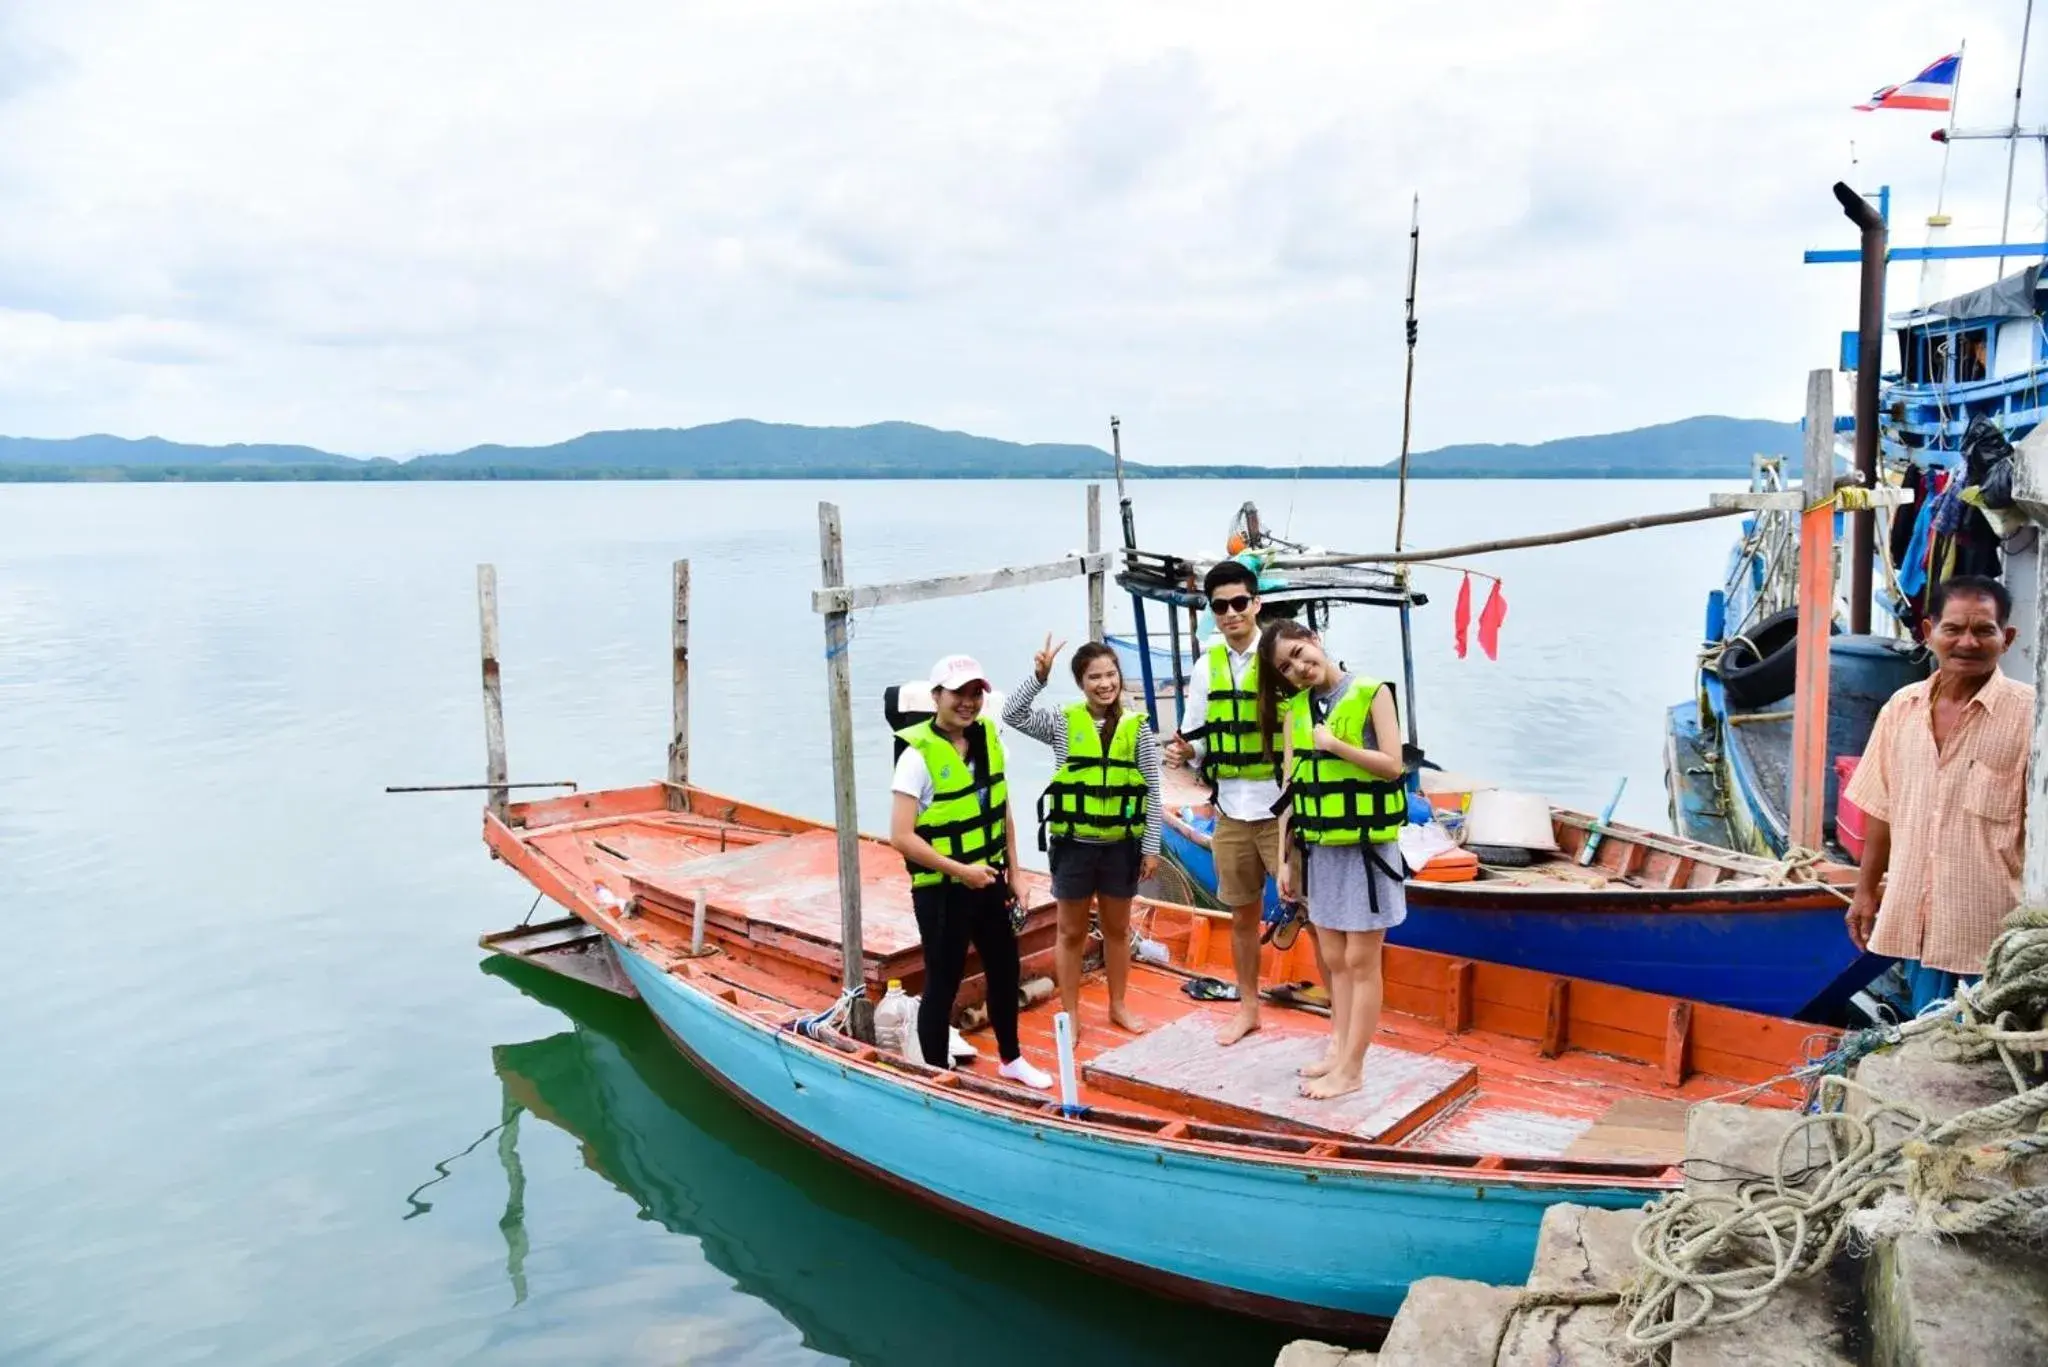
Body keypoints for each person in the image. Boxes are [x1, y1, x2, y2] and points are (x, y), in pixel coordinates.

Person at [1845, 575, 2032, 1014]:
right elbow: (1881, 807)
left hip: (1993, 933)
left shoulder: (2031, 716)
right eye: (1953, 629)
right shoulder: (1901, 709)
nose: (1967, 642)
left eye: (1983, 630)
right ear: (1929, 633)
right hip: (1918, 920)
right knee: (1929, 1040)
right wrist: (1866, 889)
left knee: (1991, 1053)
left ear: (2006, 639)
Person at [889, 654, 1055, 1089]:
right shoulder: (916, 757)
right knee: (942, 981)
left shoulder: (988, 740)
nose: (967, 702)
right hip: (943, 888)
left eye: (975, 693)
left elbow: (1001, 809)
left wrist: (1016, 874)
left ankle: (1011, 1058)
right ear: (936, 697)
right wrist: (959, 870)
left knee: (1005, 968)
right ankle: (934, 1074)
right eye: (957, 693)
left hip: (989, 879)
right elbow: (902, 836)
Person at [1260, 619, 1408, 1100]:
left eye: (1301, 652)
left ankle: (1353, 1068)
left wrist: (1338, 747)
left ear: (1316, 641)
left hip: (1367, 851)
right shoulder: (1295, 712)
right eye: (1287, 666)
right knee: (1333, 958)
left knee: (1362, 960)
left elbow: (1393, 765)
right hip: (1319, 848)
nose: (1299, 667)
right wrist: (1287, 859)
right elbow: (1289, 789)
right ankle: (1338, 1048)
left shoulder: (1371, 693)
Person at [1004, 634, 1163, 1040]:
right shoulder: (1062, 721)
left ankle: (1118, 1005)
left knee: (1117, 930)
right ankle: (1070, 1013)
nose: (1105, 684)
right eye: (1095, 677)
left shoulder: (1136, 728)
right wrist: (1038, 677)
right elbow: (1014, 714)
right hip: (1074, 846)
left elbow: (1151, 786)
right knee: (1070, 932)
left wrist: (1150, 846)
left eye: (1111, 675)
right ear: (1081, 682)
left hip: (1120, 846)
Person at [1164, 559, 1284, 1045]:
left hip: (1282, 809)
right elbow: (1197, 738)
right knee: (1241, 914)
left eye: (1240, 603)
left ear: (1256, 604)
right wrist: (1186, 751)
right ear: (1211, 612)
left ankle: (1338, 1013)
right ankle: (1248, 1008)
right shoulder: (1205, 665)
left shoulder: (1279, 654)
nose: (1231, 613)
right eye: (1220, 606)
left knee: (1315, 913)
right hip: (1232, 809)